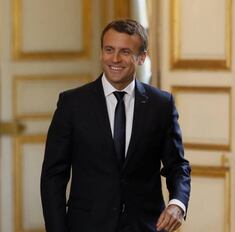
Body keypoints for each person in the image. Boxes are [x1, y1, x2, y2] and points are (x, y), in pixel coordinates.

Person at [40, 19, 191, 232]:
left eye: (125, 52)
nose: (115, 59)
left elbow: (177, 165)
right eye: (109, 50)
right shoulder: (72, 104)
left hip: (145, 226)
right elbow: (53, 176)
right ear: (101, 53)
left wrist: (178, 203)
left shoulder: (161, 104)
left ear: (142, 58)